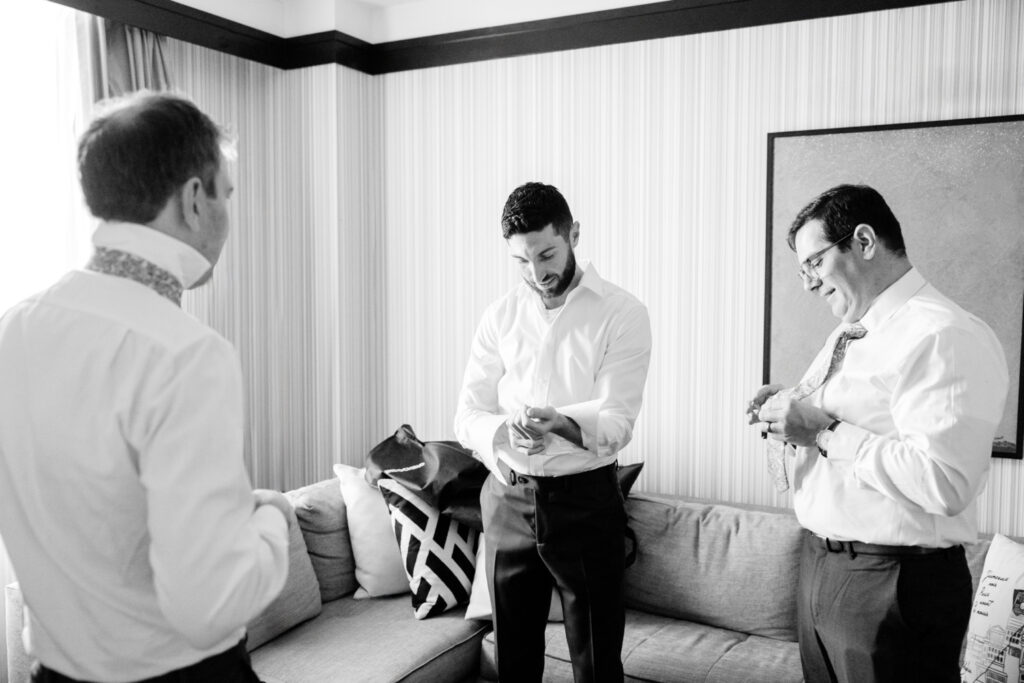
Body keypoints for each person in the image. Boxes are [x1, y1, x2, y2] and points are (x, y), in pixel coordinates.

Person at [0, 91, 292, 682]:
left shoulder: (13, 330)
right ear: (192, 199)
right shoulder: (185, 354)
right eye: (226, 194)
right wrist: (270, 522)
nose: (228, 216)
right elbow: (208, 608)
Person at [747, 184, 1009, 683]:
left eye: (815, 263)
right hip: (824, 569)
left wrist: (823, 431)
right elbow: (857, 421)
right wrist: (793, 409)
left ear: (863, 241)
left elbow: (945, 482)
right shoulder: (851, 331)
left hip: (892, 583)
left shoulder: (944, 335)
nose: (808, 283)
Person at [454, 182, 652, 682]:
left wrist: (562, 424)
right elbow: (468, 415)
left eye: (546, 254)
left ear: (574, 235)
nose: (537, 273)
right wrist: (505, 431)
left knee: (596, 663)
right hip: (507, 501)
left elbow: (617, 423)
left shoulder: (623, 313)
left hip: (586, 505)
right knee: (514, 664)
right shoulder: (499, 316)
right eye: (521, 261)